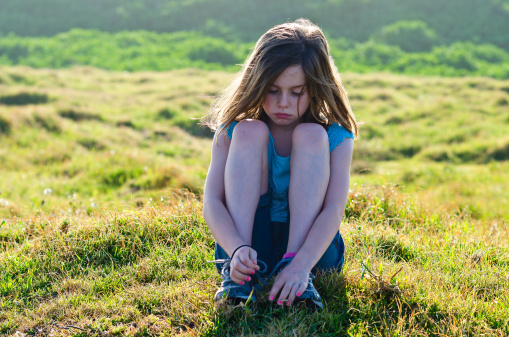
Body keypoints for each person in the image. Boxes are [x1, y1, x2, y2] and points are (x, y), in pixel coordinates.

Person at [202, 18, 358, 310]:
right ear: (257, 83)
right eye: (273, 90)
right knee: (250, 129)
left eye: (296, 92)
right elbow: (211, 201)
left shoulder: (336, 136)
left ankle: (300, 279)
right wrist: (236, 249)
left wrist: (301, 264)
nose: (283, 102)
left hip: (312, 253)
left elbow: (333, 210)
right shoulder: (233, 132)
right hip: (244, 245)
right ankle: (239, 279)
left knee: (311, 135)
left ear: (315, 88)